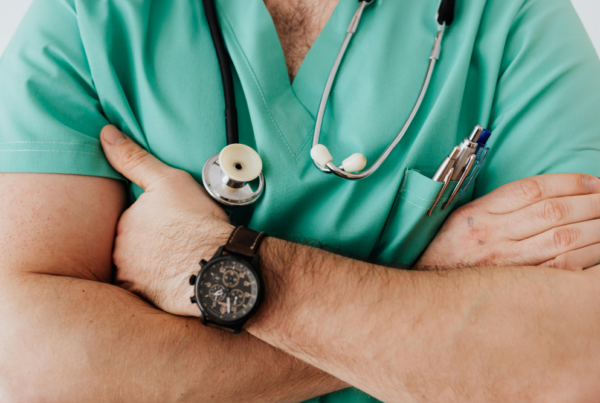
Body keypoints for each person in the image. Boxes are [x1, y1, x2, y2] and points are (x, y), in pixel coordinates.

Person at [1, 0, 600, 401]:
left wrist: (206, 259)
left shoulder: (513, 15)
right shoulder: (89, 15)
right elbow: (32, 361)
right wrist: (420, 280)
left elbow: (575, 357)